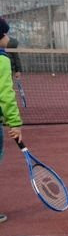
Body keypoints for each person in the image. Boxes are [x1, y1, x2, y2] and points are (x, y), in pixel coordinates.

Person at [0, 17, 23, 224]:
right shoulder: (3, 60)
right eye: (5, 33)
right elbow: (6, 95)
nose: (7, 37)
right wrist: (14, 123)